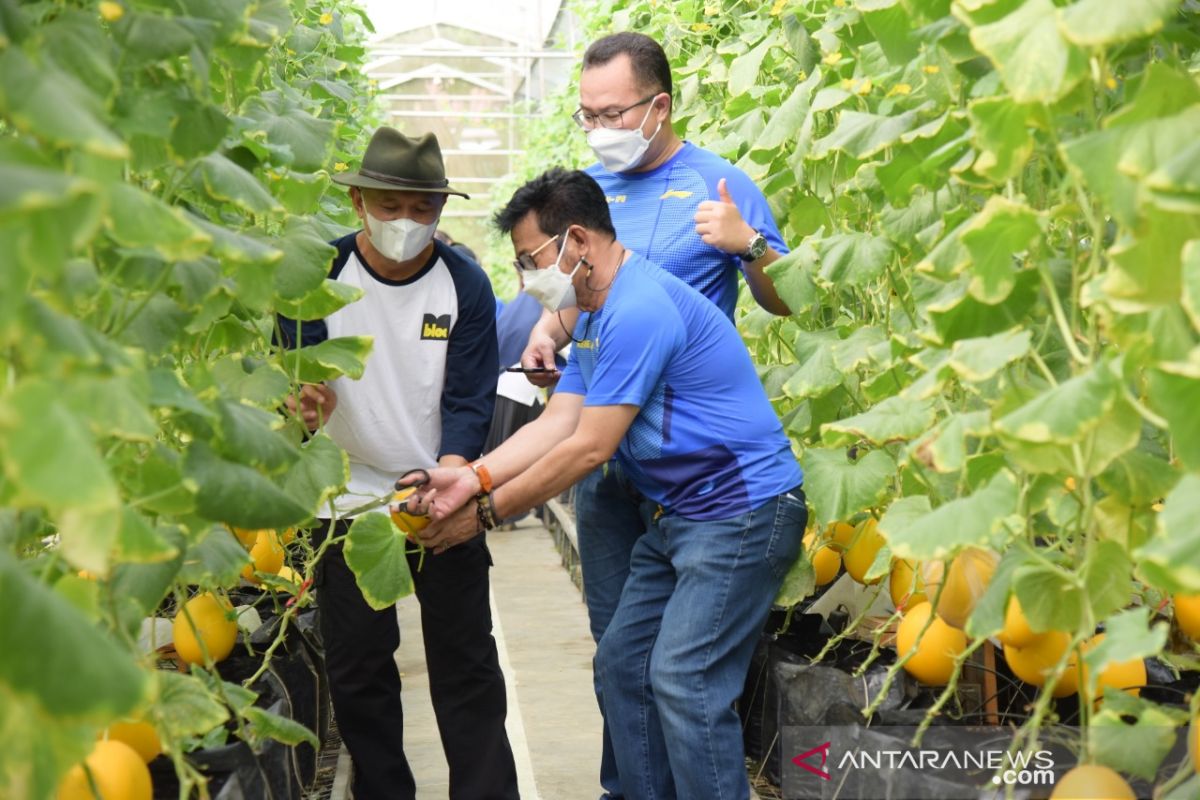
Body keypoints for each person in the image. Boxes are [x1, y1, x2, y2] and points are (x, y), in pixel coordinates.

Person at [401, 168, 806, 800]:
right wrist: (467, 478)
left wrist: (482, 515)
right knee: (623, 663)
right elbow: (559, 420)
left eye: (531, 259)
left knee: (684, 678)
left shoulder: (637, 309)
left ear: (577, 242)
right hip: (684, 518)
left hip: (743, 513)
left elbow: (590, 448)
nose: (526, 277)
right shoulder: (593, 314)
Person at [519, 32, 794, 799]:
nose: (599, 127)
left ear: (659, 105)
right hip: (610, 457)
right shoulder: (587, 195)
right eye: (587, 114)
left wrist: (749, 249)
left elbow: (790, 299)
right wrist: (547, 330)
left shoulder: (719, 185)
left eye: (612, 112)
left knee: (683, 670)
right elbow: (579, 294)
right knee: (620, 651)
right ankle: (632, 788)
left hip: (690, 466)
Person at [279, 127, 518, 800]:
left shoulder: (463, 285)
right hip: (347, 500)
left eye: (422, 209)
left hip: (438, 494)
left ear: (440, 211)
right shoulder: (319, 276)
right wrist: (296, 406)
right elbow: (292, 377)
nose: (406, 223)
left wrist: (450, 478)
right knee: (359, 670)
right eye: (390, 206)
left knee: (466, 664)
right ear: (358, 202)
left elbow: (470, 398)